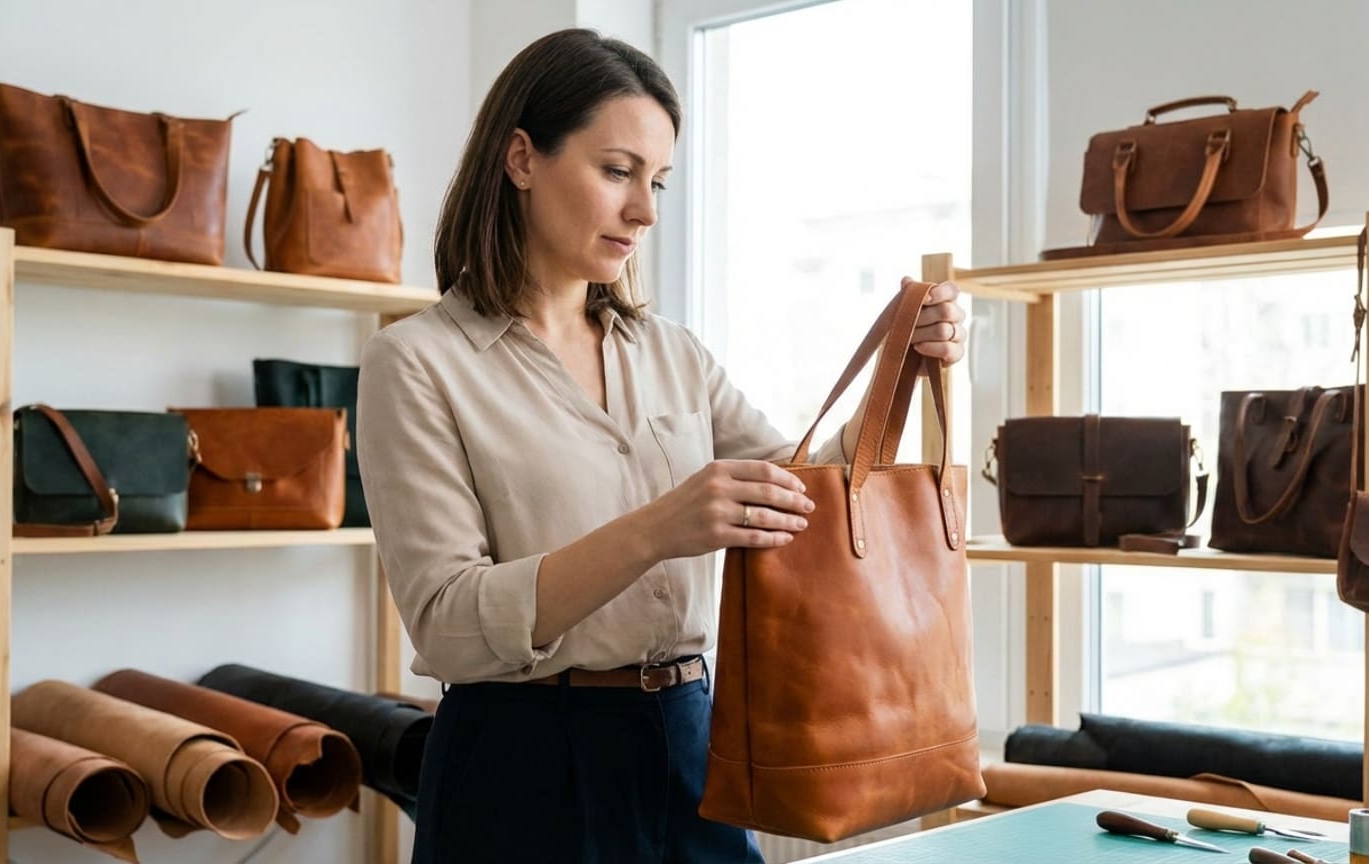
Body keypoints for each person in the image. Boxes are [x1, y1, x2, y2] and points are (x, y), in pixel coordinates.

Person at [357, 27, 967, 864]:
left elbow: (809, 496)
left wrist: (901, 363)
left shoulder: (673, 352)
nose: (645, 210)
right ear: (522, 159)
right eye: (618, 171)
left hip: (690, 742)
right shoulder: (415, 362)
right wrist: (658, 529)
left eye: (658, 182)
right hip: (520, 764)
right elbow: (448, 622)